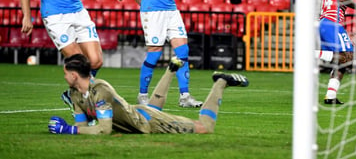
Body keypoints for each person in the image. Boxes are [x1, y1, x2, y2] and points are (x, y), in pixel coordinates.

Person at [48, 54, 249, 135]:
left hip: (147, 121)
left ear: (74, 75)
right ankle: (171, 69)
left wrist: (68, 130)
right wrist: (69, 129)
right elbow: (83, 127)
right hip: (138, 113)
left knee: (205, 128)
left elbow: (104, 130)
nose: (64, 76)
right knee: (149, 109)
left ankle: (221, 82)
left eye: (65, 73)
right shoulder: (75, 94)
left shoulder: (101, 90)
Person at [319, 0, 356, 105]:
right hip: (332, 23)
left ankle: (330, 96)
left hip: (326, 23)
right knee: (347, 56)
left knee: (342, 61)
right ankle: (308, 54)